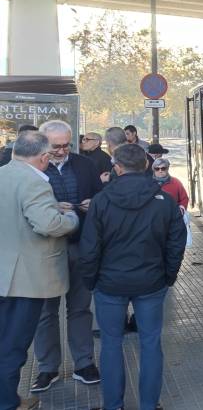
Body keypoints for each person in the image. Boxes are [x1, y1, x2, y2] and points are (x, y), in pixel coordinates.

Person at [79, 144, 187, 410]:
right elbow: (177, 242)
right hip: (151, 283)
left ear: (117, 168)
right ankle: (149, 405)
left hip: (109, 284)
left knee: (111, 344)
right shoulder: (164, 201)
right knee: (151, 343)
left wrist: (91, 280)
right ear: (147, 166)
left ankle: (113, 405)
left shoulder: (101, 201)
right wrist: (168, 276)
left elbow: (90, 247)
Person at [0, 131, 79, 410]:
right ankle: (8, 402)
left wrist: (51, 207)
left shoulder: (4, 173)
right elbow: (48, 225)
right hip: (25, 279)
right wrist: (69, 217)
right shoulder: (34, 182)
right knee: (13, 346)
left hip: (3, 274)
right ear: (44, 157)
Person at [30, 121, 103, 394]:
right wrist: (51, 209)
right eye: (56, 146)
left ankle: (84, 364)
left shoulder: (84, 165)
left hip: (79, 247)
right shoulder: (33, 168)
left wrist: (94, 204)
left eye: (66, 145)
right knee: (45, 313)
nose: (62, 151)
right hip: (45, 249)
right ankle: (47, 368)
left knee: (81, 308)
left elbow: (101, 195)